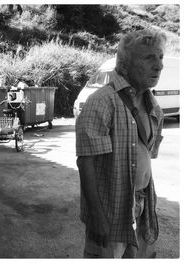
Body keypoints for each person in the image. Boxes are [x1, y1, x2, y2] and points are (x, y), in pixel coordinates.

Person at [75, 29, 166, 258]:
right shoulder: (102, 102)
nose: (159, 66)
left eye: (160, 57)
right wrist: (96, 216)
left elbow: (148, 157)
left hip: (142, 205)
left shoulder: (153, 106)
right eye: (149, 58)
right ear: (125, 63)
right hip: (110, 211)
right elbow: (86, 162)